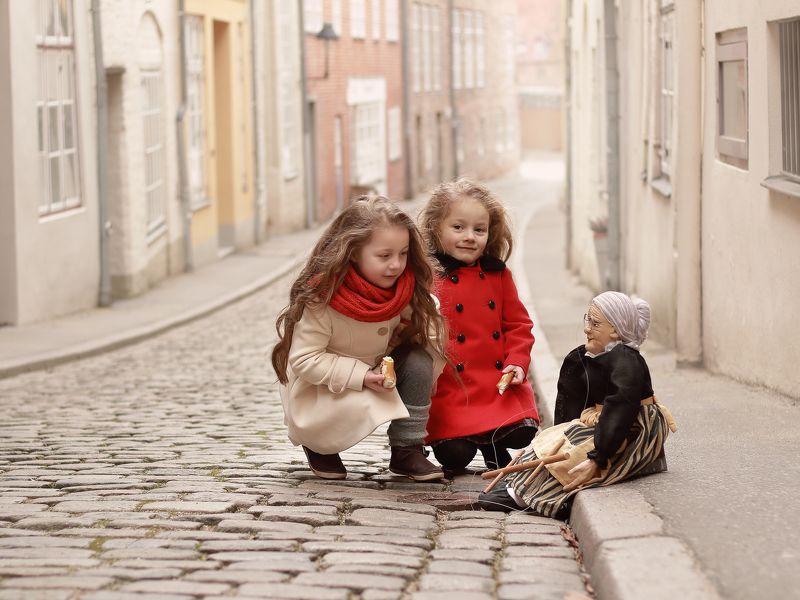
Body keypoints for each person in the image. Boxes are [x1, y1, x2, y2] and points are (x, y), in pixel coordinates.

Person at [271, 196, 448, 481]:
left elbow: (429, 330)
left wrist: (417, 331)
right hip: (324, 386)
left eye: (403, 253)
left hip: (377, 369)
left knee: (417, 361)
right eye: (384, 256)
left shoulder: (405, 289)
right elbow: (305, 359)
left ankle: (407, 449)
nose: (396, 265)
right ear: (353, 253)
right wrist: (361, 375)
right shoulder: (323, 299)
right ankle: (318, 444)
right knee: (323, 426)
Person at [477, 291, 677, 517]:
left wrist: (599, 457)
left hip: (632, 426)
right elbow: (570, 401)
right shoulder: (586, 357)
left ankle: (531, 495)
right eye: (587, 320)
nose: (587, 328)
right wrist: (556, 435)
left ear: (615, 329)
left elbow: (621, 407)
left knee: (576, 453)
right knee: (556, 442)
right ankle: (520, 484)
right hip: (604, 420)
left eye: (595, 323)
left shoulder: (626, 360)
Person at [417, 179, 540, 473]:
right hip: (450, 388)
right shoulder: (427, 275)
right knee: (455, 456)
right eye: (458, 228)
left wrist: (517, 363)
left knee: (523, 431)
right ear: (436, 228)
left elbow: (519, 325)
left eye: (479, 230)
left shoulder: (498, 275)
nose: (469, 237)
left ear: (490, 232)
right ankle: (473, 441)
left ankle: (492, 443)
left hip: (493, 380)